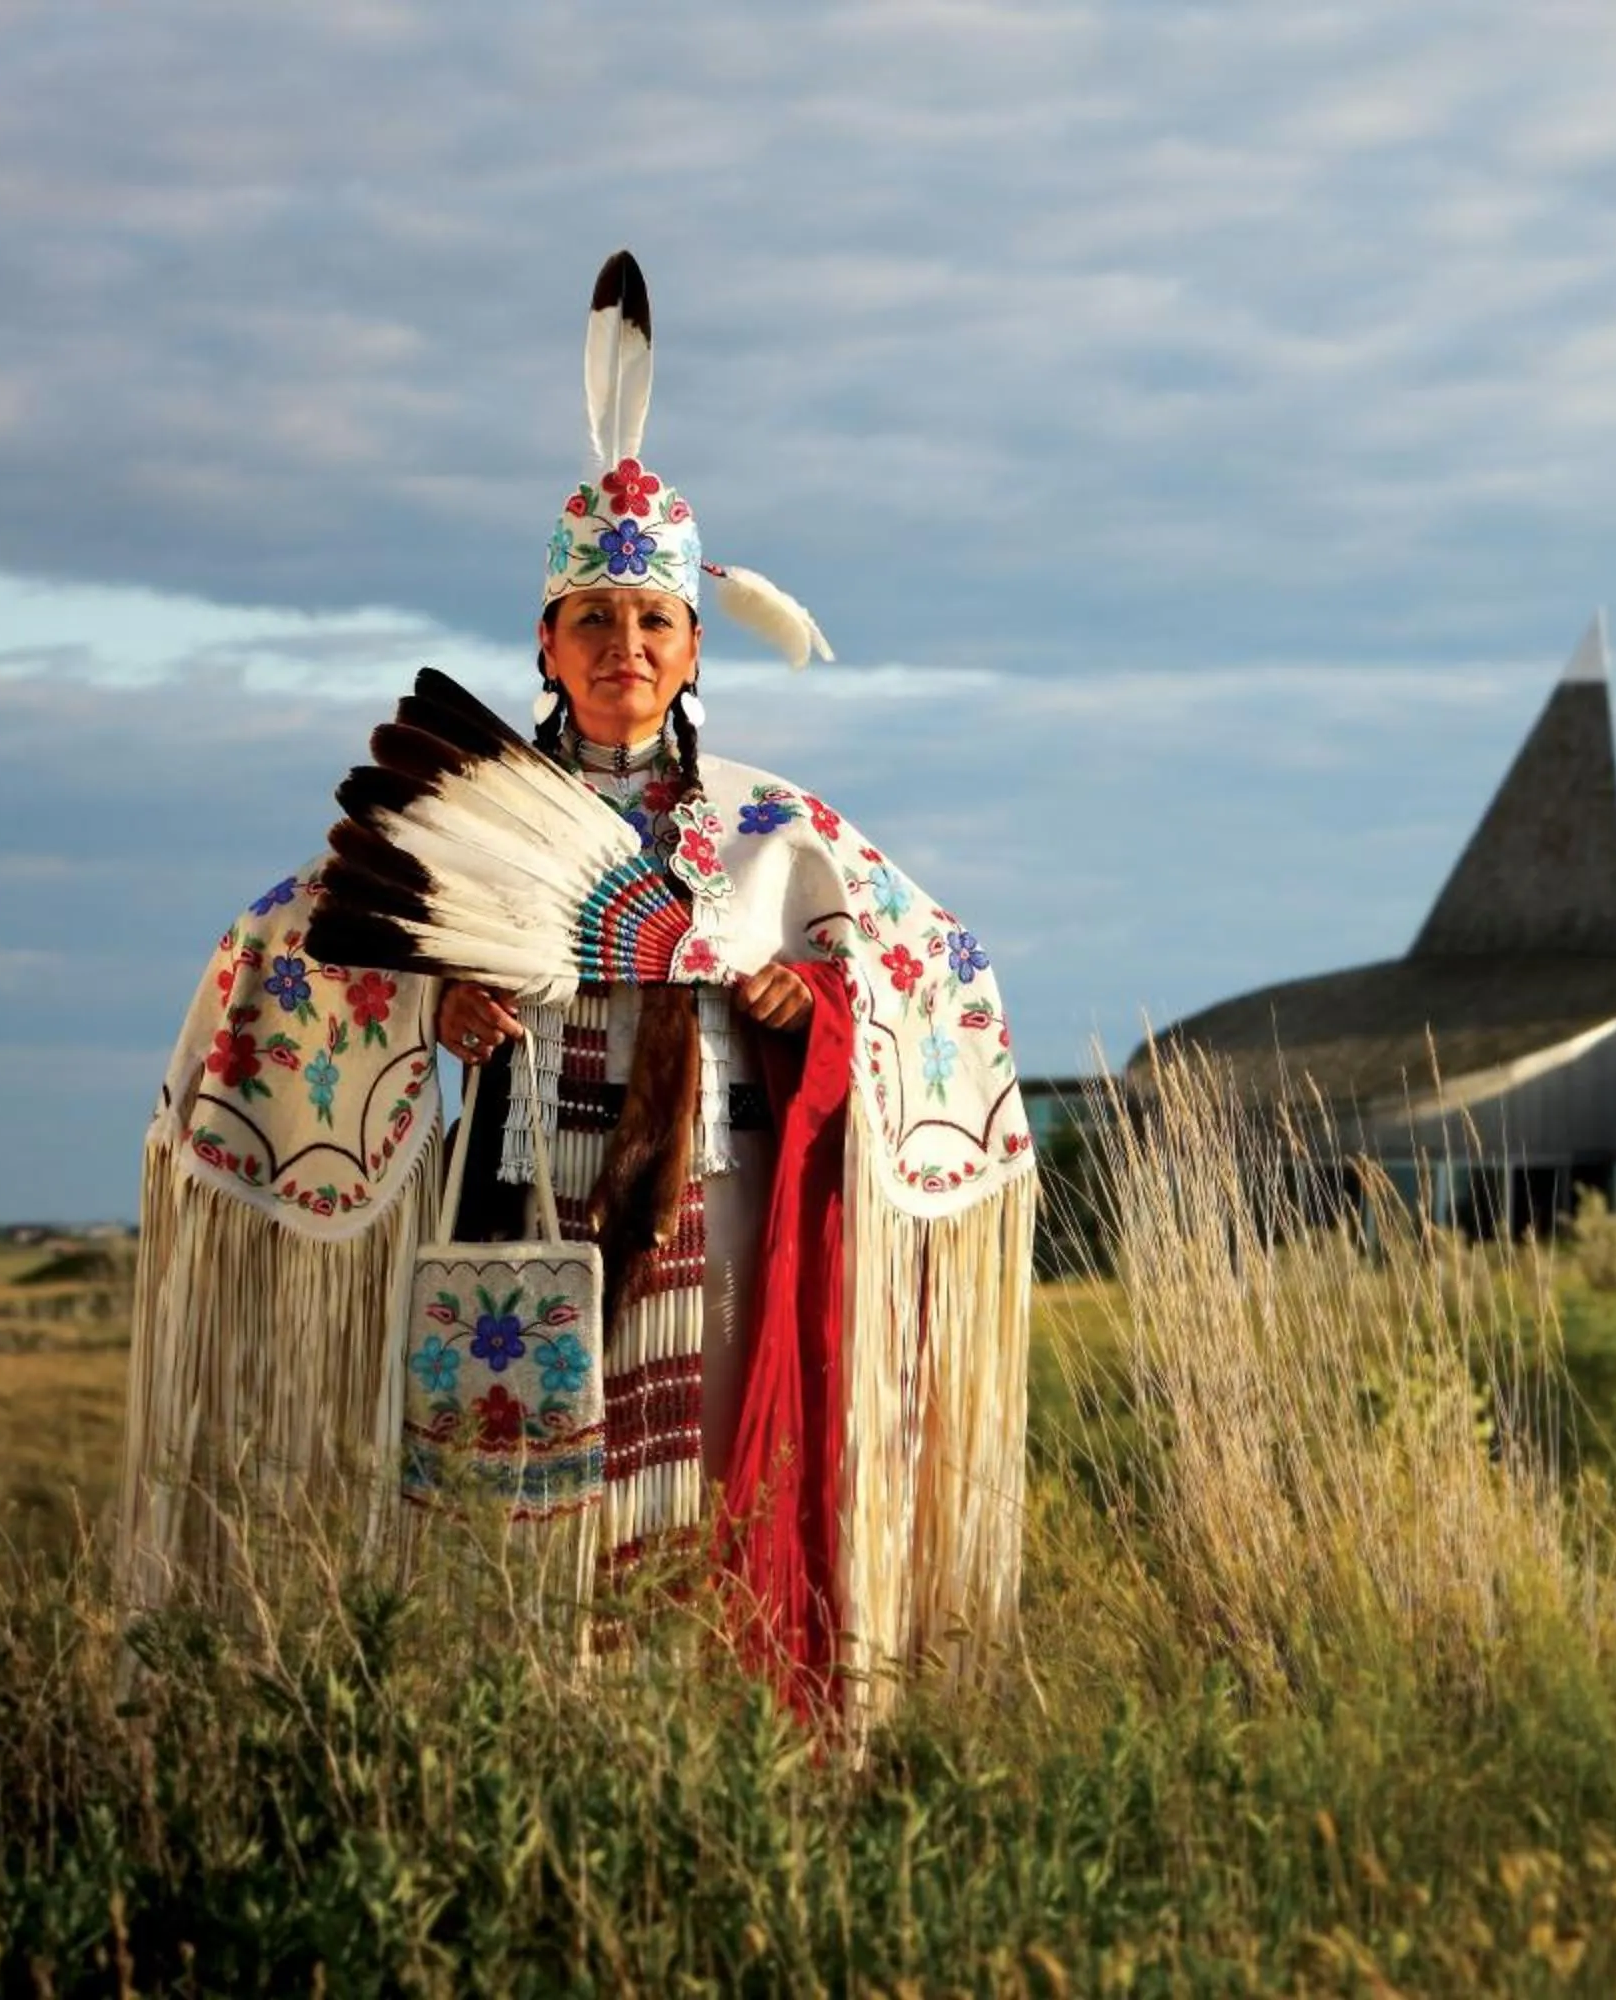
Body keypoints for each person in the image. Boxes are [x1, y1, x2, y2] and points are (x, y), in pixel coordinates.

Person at [117, 252, 1038, 1724]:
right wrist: (436, 1017)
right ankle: (527, 1750)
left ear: (691, 651)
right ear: (545, 643)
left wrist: (820, 1009)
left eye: (653, 625)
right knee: (523, 1513)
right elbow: (284, 954)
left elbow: (943, 975)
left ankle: (707, 1746)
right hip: (524, 1207)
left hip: (714, 1214)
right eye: (594, 623)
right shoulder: (482, 813)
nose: (624, 650)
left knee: (712, 1485)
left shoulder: (773, 831)